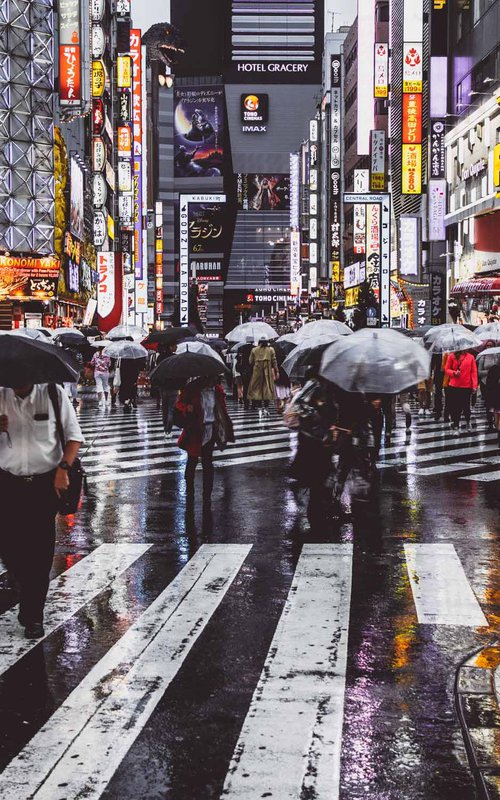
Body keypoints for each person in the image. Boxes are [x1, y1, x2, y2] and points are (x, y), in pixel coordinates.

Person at [0, 383, 84, 638]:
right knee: (7, 547)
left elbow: (74, 437)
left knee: (39, 553)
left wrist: (63, 469)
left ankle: (33, 615)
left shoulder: (53, 394)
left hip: (45, 484)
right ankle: (21, 580)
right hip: (6, 483)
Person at [175, 377, 234, 508]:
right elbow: (179, 404)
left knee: (208, 462)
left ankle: (206, 495)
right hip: (195, 429)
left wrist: (223, 427)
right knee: (192, 460)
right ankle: (190, 492)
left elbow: (222, 409)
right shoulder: (192, 388)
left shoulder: (217, 390)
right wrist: (187, 408)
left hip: (210, 429)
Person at [445, 350, 478, 433]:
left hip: (466, 386)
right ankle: (456, 425)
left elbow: (473, 372)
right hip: (454, 385)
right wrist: (454, 373)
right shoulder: (451, 356)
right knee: (455, 407)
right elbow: (447, 369)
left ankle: (467, 421)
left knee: (466, 406)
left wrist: (474, 385)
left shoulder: (471, 357)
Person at [247, 338, 278, 417]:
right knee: (267, 388)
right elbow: (274, 361)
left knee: (257, 389)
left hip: (257, 372)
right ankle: (266, 408)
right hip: (267, 372)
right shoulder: (271, 350)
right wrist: (276, 371)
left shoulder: (254, 350)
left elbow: (250, 361)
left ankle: (260, 408)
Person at [157, 343, 178, 435]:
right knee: (172, 408)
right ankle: (169, 422)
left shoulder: (160, 357)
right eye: (174, 345)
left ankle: (165, 424)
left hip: (163, 385)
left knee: (164, 407)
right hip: (173, 385)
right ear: (170, 346)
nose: (176, 347)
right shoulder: (175, 358)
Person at [485, 361, 500, 445]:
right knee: (497, 419)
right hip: (496, 398)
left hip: (495, 399)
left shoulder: (493, 368)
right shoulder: (494, 369)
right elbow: (489, 384)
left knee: (498, 419)